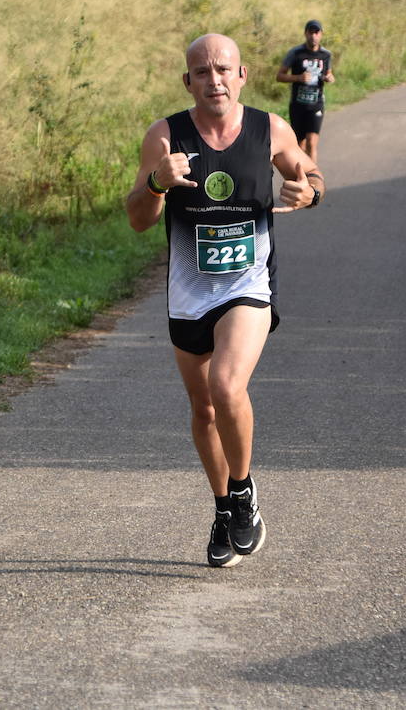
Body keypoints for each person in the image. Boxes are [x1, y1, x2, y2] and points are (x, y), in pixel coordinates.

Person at [125, 33, 324, 568]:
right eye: (201, 71)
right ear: (187, 81)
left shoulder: (268, 129)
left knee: (225, 383)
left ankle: (243, 491)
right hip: (189, 289)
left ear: (241, 76)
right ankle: (223, 508)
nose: (214, 78)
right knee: (204, 408)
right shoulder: (165, 136)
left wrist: (310, 191)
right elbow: (139, 220)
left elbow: (310, 174)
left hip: (248, 285)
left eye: (223, 69)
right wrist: (156, 184)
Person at [275, 20, 335, 165]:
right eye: (311, 32)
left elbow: (329, 74)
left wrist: (329, 78)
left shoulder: (326, 55)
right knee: (299, 145)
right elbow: (279, 76)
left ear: (321, 34)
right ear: (305, 33)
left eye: (316, 32)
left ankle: (313, 180)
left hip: (316, 104)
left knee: (312, 143)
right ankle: (301, 177)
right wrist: (298, 78)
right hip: (298, 105)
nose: (313, 36)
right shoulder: (296, 53)